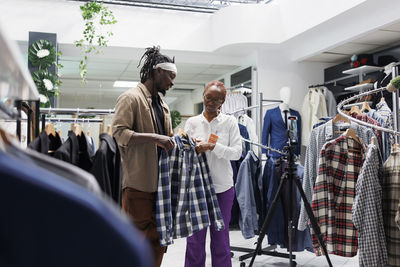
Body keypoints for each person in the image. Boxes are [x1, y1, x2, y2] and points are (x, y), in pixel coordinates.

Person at [112, 46, 176, 267]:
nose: (172, 82)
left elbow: (167, 139)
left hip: (162, 188)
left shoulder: (163, 105)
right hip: (138, 186)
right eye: (171, 76)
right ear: (158, 71)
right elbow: (119, 133)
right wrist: (155, 138)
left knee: (159, 243)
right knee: (134, 243)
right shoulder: (130, 98)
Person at [184, 81, 242, 267]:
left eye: (216, 99)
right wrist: (190, 145)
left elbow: (237, 153)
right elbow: (184, 153)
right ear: (203, 96)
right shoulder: (192, 122)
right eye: (209, 97)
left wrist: (212, 146)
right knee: (194, 239)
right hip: (197, 189)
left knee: (221, 239)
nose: (211, 102)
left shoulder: (230, 122)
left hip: (222, 188)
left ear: (223, 101)